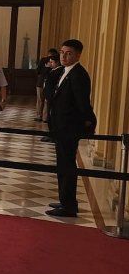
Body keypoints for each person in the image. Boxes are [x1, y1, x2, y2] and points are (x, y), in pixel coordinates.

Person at [45, 39, 96, 217]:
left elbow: (82, 104)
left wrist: (88, 121)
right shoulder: (65, 71)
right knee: (63, 165)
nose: (64, 56)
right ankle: (64, 200)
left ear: (78, 55)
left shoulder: (78, 75)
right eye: (62, 52)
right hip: (61, 127)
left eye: (69, 53)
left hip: (68, 128)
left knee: (67, 166)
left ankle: (69, 206)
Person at [40, 55, 61, 142]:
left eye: (52, 62)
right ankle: (50, 134)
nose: (50, 64)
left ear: (57, 62)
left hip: (52, 97)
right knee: (49, 116)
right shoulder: (53, 70)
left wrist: (47, 68)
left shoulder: (59, 70)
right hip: (49, 96)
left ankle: (53, 135)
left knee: (52, 116)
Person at [36, 48, 59, 122]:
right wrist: (46, 67)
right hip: (40, 83)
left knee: (47, 100)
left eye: (52, 56)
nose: (50, 58)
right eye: (49, 56)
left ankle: (45, 118)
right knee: (40, 100)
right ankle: (39, 116)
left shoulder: (57, 62)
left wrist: (50, 67)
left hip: (50, 84)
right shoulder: (43, 60)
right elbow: (38, 71)